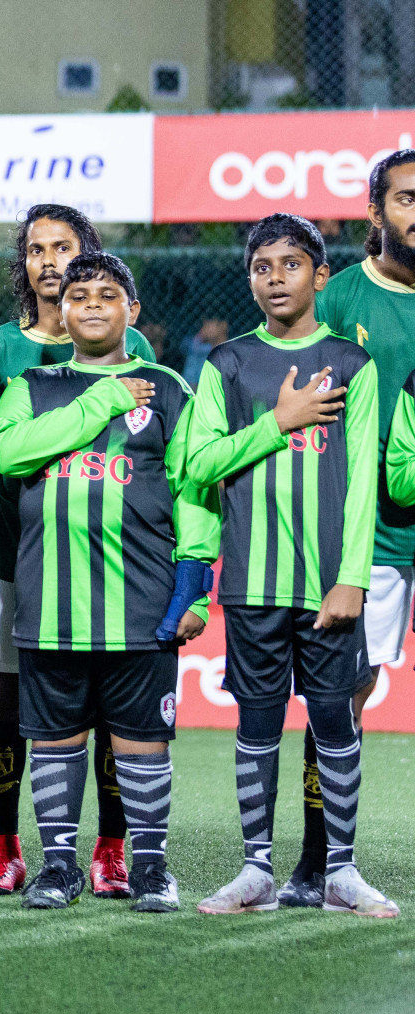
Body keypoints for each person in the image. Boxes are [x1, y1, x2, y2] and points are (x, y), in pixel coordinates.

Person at [0, 253, 214, 913]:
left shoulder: (168, 387)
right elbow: (8, 453)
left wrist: (193, 586)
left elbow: (194, 492)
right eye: (78, 295)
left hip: (140, 605)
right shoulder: (33, 383)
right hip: (50, 604)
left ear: (131, 312)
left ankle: (150, 868)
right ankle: (58, 867)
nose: (90, 305)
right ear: (61, 311)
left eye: (107, 295)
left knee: (142, 742)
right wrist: (105, 400)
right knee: (54, 741)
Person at [187, 213, 396, 918]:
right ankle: (255, 870)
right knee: (257, 722)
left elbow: (364, 476)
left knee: (336, 720)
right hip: (252, 581)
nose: (276, 278)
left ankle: (340, 870)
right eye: (262, 267)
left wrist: (354, 577)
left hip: (328, 585)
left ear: (321, 275)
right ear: (249, 278)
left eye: (291, 265)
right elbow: (197, 463)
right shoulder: (229, 364)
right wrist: (277, 422)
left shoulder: (353, 364)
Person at [0, 205, 156, 898]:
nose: (48, 260)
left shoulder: (133, 350)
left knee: (109, 710)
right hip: (17, 554)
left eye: (63, 247)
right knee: (7, 699)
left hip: (108, 562)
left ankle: (109, 850)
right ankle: (5, 849)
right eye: (36, 249)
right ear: (23, 264)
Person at [283, 149, 415, 908]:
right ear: (375, 214)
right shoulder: (338, 304)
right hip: (371, 537)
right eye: (405, 199)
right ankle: (318, 862)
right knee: (344, 696)